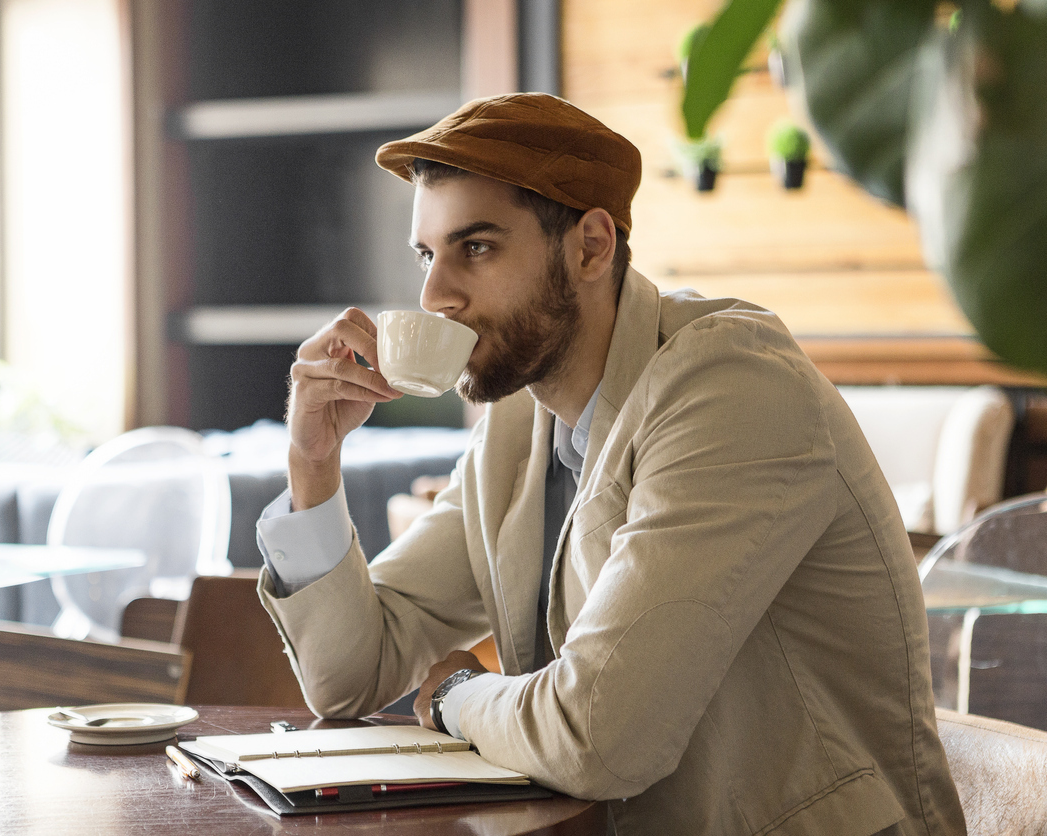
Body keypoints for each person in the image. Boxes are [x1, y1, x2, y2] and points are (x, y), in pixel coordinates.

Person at [254, 93, 965, 834]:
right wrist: (314, 461)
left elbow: (598, 732)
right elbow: (348, 677)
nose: (436, 296)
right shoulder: (516, 425)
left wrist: (456, 697)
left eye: (478, 247)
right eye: (428, 255)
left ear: (591, 247)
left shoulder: (733, 387)